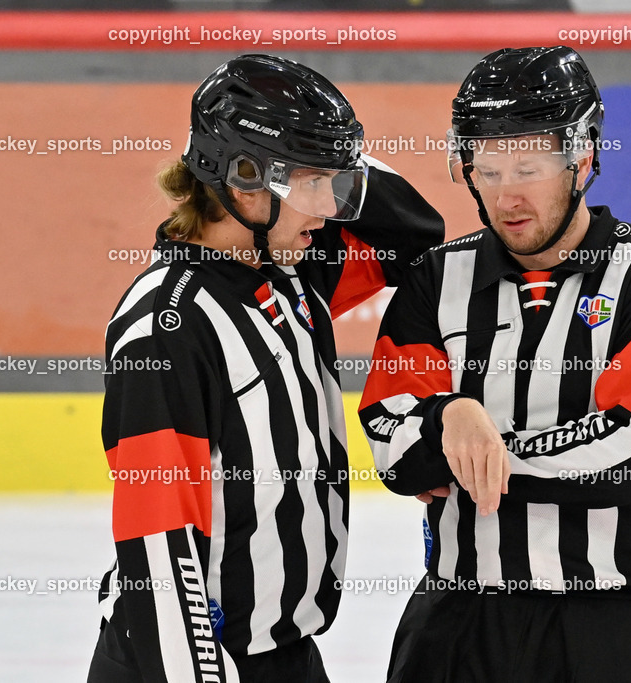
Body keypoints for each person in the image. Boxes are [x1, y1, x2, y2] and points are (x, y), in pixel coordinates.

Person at [87, 54, 443, 682]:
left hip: (286, 653)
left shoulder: (294, 277)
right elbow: (157, 549)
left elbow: (415, 230)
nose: (329, 211)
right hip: (191, 659)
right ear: (244, 182)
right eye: (313, 186)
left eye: (335, 187)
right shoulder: (166, 327)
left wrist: (329, 148)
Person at [358, 46, 631, 682]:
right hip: (459, 621)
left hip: (611, 623)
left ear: (583, 156)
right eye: (488, 168)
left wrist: (469, 445)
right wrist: (448, 415)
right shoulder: (434, 278)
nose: (507, 194)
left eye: (530, 166)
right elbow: (394, 450)